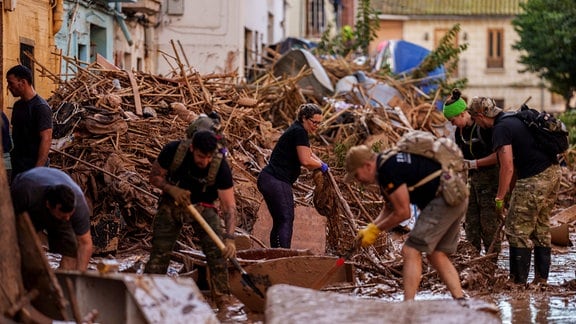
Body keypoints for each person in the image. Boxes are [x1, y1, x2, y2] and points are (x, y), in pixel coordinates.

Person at [346, 144, 467, 301]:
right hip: (455, 196)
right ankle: (461, 301)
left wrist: (376, 230)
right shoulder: (386, 163)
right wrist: (371, 227)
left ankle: (408, 306)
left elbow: (403, 212)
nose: (358, 181)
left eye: (356, 175)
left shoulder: (387, 170)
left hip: (443, 200)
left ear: (367, 166)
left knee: (410, 250)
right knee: (436, 254)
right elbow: (389, 207)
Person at [468, 97, 562, 285]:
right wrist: (511, 193)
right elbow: (514, 160)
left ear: (480, 116)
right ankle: (541, 279)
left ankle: (517, 282)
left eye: (474, 119)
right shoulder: (513, 118)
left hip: (534, 179)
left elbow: (507, 166)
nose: (475, 124)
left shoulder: (500, 129)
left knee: (516, 229)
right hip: (553, 172)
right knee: (540, 227)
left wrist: (500, 198)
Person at [145, 130, 237, 307]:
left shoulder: (220, 166)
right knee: (160, 253)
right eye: (201, 156)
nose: (205, 161)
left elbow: (229, 206)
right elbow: (154, 176)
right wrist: (171, 189)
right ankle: (150, 297)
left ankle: (223, 300)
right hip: (171, 203)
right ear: (192, 148)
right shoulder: (173, 150)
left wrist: (230, 238)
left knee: (217, 253)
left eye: (209, 157)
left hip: (204, 208)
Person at [257, 103, 328, 248]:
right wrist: (321, 166)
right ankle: (284, 255)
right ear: (304, 118)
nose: (316, 126)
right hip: (276, 180)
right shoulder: (299, 132)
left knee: (280, 219)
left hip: (269, 179)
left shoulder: (298, 130)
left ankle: (276, 254)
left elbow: (309, 153)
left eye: (319, 123)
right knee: (286, 218)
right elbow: (306, 160)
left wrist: (322, 163)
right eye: (314, 122)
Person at [443, 89, 501, 256]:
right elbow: (461, 157)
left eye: (453, 120)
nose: (452, 124)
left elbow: (500, 155)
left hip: (491, 180)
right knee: (471, 223)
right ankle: (473, 259)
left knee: (489, 222)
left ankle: (492, 261)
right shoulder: (459, 132)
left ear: (462, 114)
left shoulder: (483, 127)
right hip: (473, 180)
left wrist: (474, 163)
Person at [10, 167, 93, 271]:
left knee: (71, 249)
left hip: (53, 204)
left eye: (69, 215)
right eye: (63, 216)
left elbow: (85, 243)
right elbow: (9, 225)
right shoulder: (25, 191)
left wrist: (81, 276)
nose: (67, 219)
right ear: (49, 205)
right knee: (22, 246)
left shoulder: (79, 205)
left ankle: (64, 278)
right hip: (29, 206)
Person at [6, 65, 53, 179]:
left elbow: (46, 139)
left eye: (11, 83)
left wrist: (37, 171)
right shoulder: (18, 106)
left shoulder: (40, 107)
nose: (9, 87)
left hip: (33, 168)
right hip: (19, 167)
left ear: (22, 82)